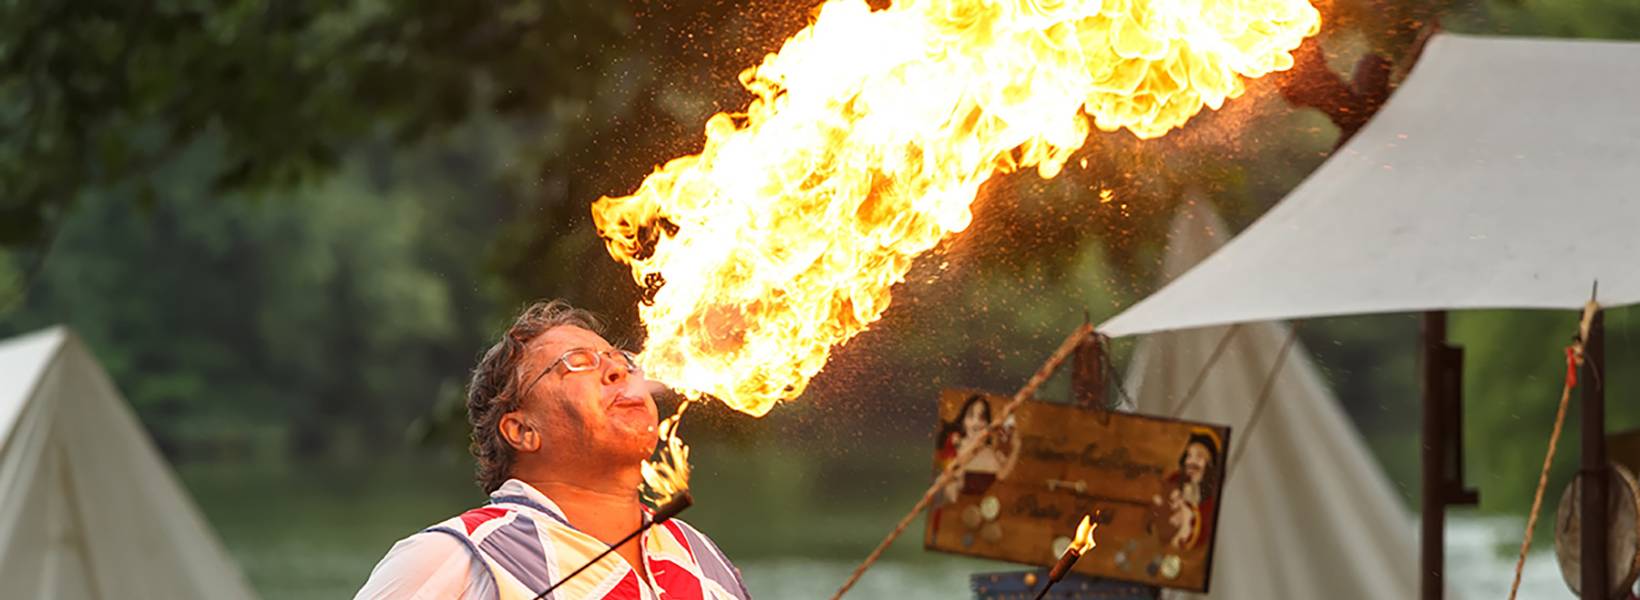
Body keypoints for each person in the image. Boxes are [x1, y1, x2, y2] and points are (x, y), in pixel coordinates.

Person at [355, 300, 750, 599]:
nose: (618, 372)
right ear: (522, 430)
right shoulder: (458, 557)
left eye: (622, 361)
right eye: (577, 362)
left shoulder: (704, 560)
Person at [1150, 428, 1220, 551]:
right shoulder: (1175, 479)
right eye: (1189, 455)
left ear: (1208, 463)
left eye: (1199, 457)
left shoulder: (1212, 494)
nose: (1191, 462)